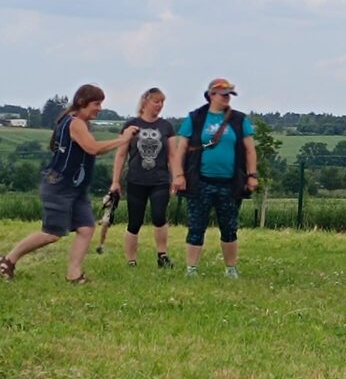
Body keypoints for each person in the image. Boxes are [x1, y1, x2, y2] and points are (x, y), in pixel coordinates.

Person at [1, 84, 138, 283]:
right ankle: (8, 260)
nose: (99, 108)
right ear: (82, 103)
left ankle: (74, 274)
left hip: (76, 187)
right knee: (52, 233)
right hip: (59, 185)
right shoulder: (75, 123)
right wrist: (123, 139)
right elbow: (92, 148)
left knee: (86, 227)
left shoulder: (78, 122)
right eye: (96, 103)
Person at [170, 78, 259, 278]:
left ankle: (231, 269)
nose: (227, 98)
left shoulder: (239, 119)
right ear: (211, 95)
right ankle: (191, 269)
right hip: (200, 181)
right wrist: (178, 175)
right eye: (224, 94)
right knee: (196, 226)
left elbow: (250, 150)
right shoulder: (196, 118)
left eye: (230, 95)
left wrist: (252, 175)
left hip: (230, 183)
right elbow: (180, 149)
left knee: (229, 227)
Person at [110, 87, 179, 269]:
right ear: (145, 102)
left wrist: (177, 177)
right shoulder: (131, 125)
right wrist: (115, 181)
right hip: (136, 179)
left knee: (159, 215)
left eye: (162, 102)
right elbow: (121, 155)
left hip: (160, 180)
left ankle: (162, 255)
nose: (160, 105)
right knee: (135, 221)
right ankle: (131, 260)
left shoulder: (167, 127)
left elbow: (173, 155)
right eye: (156, 101)